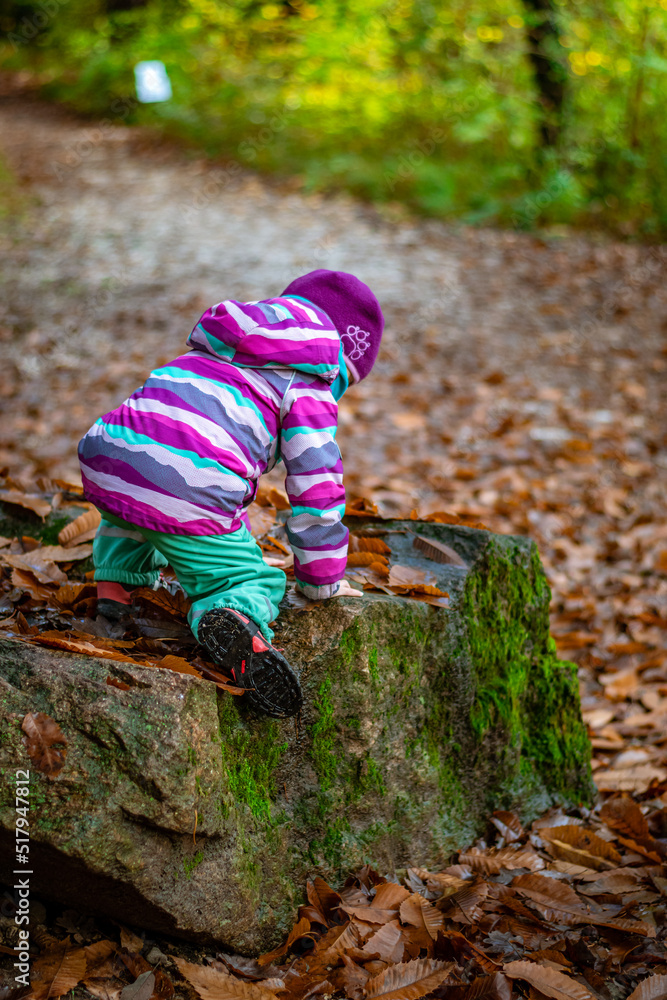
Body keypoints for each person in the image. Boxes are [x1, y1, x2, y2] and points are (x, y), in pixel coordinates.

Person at [78, 269, 384, 718]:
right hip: (187, 487)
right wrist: (322, 578)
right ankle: (231, 615)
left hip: (108, 453)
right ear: (341, 363)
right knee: (248, 577)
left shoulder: (222, 341)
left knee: (134, 499)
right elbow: (317, 485)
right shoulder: (309, 382)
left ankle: (115, 591)